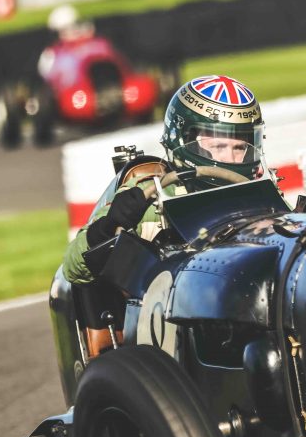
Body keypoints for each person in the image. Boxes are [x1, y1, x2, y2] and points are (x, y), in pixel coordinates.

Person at [62, 74, 265, 285]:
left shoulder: (260, 198)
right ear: (182, 139)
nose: (230, 159)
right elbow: (72, 268)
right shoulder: (150, 198)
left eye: (240, 148)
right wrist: (109, 226)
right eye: (218, 146)